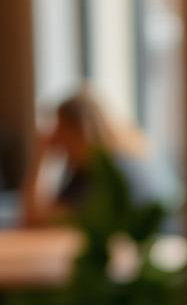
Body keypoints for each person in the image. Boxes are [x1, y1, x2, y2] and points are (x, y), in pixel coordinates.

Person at [22, 87, 178, 225]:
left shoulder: (110, 170)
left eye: (61, 132)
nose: (56, 141)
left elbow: (36, 218)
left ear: (80, 130)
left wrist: (40, 157)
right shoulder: (128, 154)